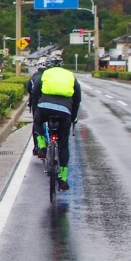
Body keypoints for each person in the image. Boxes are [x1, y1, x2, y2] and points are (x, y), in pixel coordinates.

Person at [31, 55, 80, 191]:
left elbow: (35, 93)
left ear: (48, 66)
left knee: (37, 121)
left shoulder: (45, 74)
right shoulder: (70, 76)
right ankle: (63, 180)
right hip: (65, 112)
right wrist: (73, 117)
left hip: (45, 107)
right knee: (63, 146)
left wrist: (35, 108)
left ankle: (41, 147)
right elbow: (77, 99)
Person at [26, 61, 48, 155]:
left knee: (36, 124)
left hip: (36, 103)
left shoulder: (33, 77)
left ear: (37, 68)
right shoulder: (48, 77)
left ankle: (37, 147)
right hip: (48, 102)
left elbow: (30, 90)